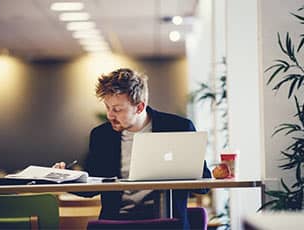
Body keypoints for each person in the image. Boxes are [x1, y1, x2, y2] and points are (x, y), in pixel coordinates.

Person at [54, 68, 211, 229]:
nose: (110, 115)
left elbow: (203, 184)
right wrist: (64, 178)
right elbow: (91, 187)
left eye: (117, 109)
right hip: (118, 222)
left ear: (139, 107)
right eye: (107, 107)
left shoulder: (178, 127)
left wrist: (179, 170)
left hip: (165, 221)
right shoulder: (102, 136)